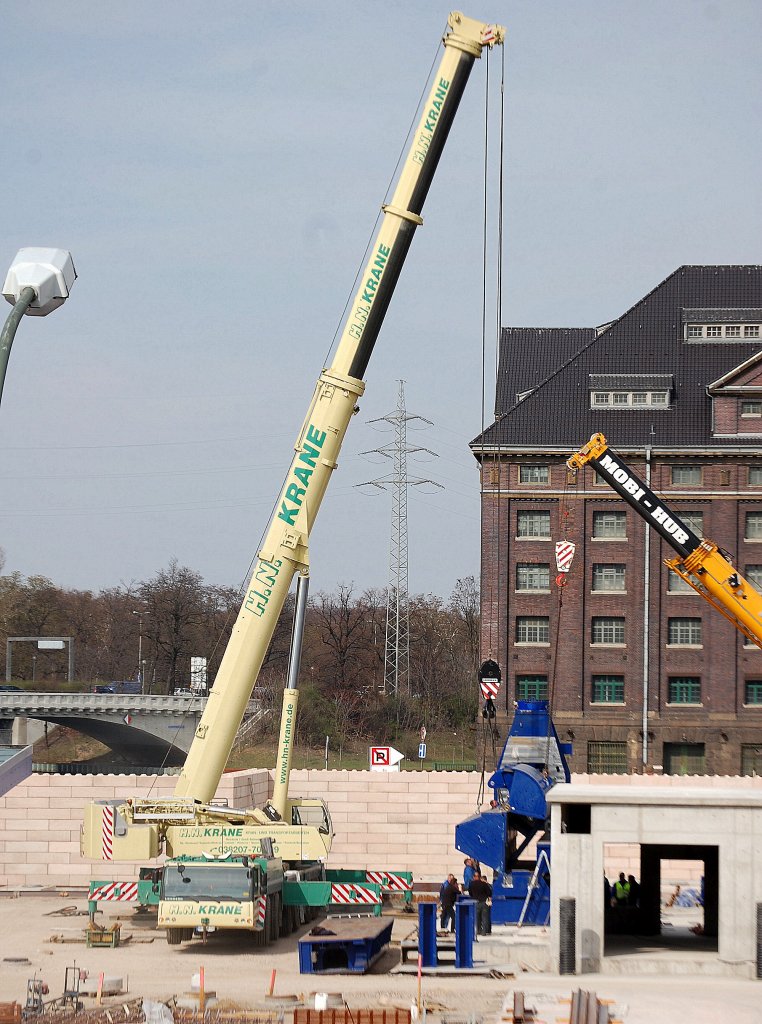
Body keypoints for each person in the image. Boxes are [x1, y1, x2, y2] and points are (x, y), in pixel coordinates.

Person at [468, 870, 492, 935]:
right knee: (484, 918)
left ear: (474, 877)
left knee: (477, 917)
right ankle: (484, 932)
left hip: (475, 902)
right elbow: (489, 893)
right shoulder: (484, 884)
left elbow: (470, 893)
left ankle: (478, 930)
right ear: (479, 877)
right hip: (484, 902)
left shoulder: (471, 884)